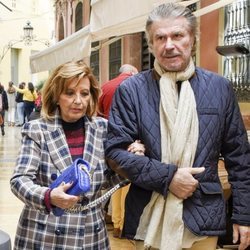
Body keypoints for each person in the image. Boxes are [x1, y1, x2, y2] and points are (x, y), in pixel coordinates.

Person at [105, 3, 250, 250]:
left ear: (192, 39)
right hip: (148, 216)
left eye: (177, 35)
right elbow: (115, 153)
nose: (169, 45)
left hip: (203, 216)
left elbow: (240, 158)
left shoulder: (219, 88)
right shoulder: (131, 91)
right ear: (151, 45)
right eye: (160, 38)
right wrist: (169, 177)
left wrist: (243, 215)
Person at [10, 60, 144, 250]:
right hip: (44, 235)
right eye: (70, 93)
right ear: (57, 95)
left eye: (84, 93)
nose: (78, 101)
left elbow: (109, 180)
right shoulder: (37, 129)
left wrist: (131, 160)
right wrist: (48, 196)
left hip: (90, 236)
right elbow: (19, 180)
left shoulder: (103, 129)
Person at [99, 64, 138, 238]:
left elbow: (98, 113)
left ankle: (115, 223)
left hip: (109, 137)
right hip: (131, 138)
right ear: (132, 72)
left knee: (114, 181)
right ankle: (125, 223)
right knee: (127, 181)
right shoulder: (136, 84)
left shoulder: (105, 87)